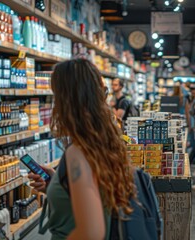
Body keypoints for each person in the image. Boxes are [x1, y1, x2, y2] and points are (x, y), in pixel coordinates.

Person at [29, 59, 135, 239]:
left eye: (57, 95)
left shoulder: (78, 152)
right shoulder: (101, 141)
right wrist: (59, 181)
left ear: (67, 100)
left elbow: (91, 233)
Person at [185, 83, 195, 176]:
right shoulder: (189, 100)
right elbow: (188, 114)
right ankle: (190, 164)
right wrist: (189, 125)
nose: (194, 92)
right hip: (192, 126)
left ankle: (193, 165)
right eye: (192, 90)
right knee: (193, 146)